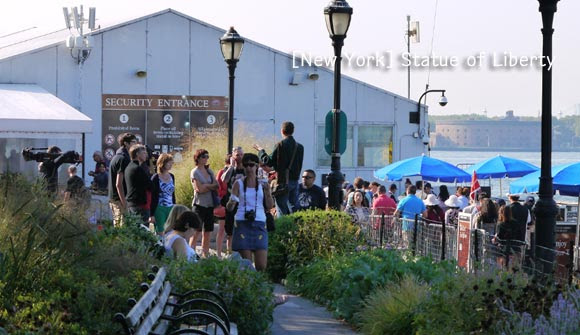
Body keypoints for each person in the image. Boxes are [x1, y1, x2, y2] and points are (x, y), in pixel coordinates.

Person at [226, 153, 274, 271]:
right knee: (246, 265)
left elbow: (269, 206)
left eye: (251, 165)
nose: (248, 168)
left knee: (261, 265)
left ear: (256, 166)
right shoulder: (239, 183)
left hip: (259, 222)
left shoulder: (263, 184)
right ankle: (249, 287)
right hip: (242, 222)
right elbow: (229, 207)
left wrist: (268, 192)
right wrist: (233, 200)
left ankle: (259, 286)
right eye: (245, 165)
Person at [254, 121, 304, 215]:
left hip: (282, 181)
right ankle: (293, 228)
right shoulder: (300, 147)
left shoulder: (280, 145)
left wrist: (261, 151)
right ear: (293, 131)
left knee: (281, 209)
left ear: (282, 131)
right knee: (293, 210)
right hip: (295, 181)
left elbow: (268, 161)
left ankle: (283, 229)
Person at [189, 149, 218, 258]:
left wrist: (206, 186)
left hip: (210, 204)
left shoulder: (209, 171)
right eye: (204, 156)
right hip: (199, 204)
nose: (206, 159)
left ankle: (205, 254)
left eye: (207, 156)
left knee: (208, 231)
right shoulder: (195, 172)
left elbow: (216, 185)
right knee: (196, 230)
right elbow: (199, 189)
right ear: (198, 158)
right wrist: (208, 187)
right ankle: (190, 252)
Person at [108, 133, 137, 227]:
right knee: (122, 229)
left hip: (115, 198)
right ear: (126, 143)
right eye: (133, 142)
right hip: (119, 200)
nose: (136, 144)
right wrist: (124, 202)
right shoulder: (123, 158)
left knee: (119, 227)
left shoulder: (118, 156)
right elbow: (118, 184)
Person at [220, 147, 245, 254]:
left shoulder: (246, 169)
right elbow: (224, 180)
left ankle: (241, 252)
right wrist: (232, 167)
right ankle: (229, 252)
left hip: (243, 203)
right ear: (233, 157)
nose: (239, 157)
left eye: (241, 155)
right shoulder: (229, 169)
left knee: (242, 229)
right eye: (237, 155)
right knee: (229, 230)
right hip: (231, 202)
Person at [124, 144, 153, 224]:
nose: (146, 155)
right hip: (140, 205)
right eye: (143, 153)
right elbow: (150, 185)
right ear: (137, 154)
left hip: (132, 203)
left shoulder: (129, 167)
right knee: (143, 230)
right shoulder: (138, 169)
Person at [150, 153, 176, 235]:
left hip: (170, 207)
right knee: (160, 232)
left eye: (172, 163)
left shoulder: (172, 176)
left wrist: (175, 206)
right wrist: (151, 214)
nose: (171, 165)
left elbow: (173, 194)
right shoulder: (155, 178)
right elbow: (152, 196)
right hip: (159, 207)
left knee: (171, 232)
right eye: (169, 163)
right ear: (162, 163)